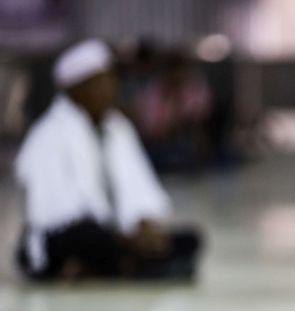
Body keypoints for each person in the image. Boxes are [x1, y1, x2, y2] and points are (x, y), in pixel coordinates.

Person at [15, 39, 202, 281]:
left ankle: (120, 264)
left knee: (190, 239)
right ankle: (130, 263)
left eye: (111, 79)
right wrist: (120, 237)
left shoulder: (118, 127)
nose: (111, 88)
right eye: (100, 82)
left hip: (115, 233)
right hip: (70, 236)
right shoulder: (48, 135)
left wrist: (143, 224)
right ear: (76, 89)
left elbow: (138, 184)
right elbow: (52, 214)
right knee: (90, 238)